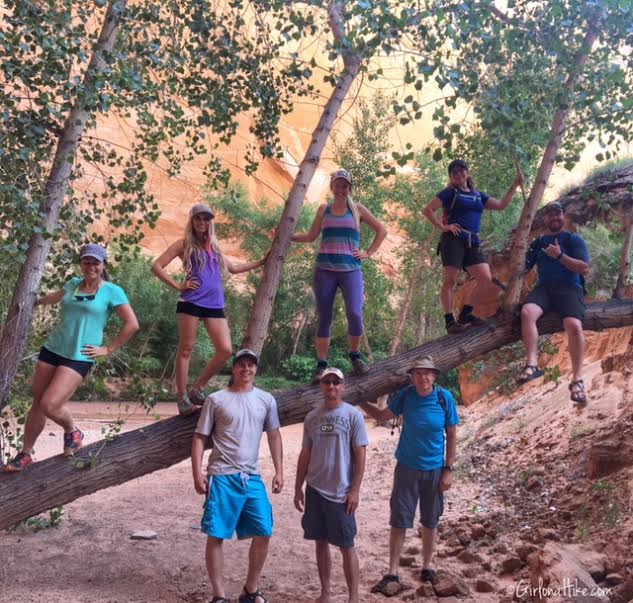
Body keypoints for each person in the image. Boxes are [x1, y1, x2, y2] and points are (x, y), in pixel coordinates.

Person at [3, 244, 139, 473]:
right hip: (53, 349)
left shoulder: (112, 291)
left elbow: (132, 324)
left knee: (50, 404)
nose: (91, 266)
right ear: (81, 264)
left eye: (96, 262)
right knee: (37, 402)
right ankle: (25, 454)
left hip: (80, 355)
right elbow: (55, 297)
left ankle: (72, 430)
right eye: (86, 262)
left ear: (104, 264)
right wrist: (33, 301)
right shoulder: (72, 285)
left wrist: (108, 349)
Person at [152, 203, 268, 415]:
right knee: (186, 349)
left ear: (210, 222)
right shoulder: (184, 244)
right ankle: (181, 398)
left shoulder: (214, 246)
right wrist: (179, 285)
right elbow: (156, 266)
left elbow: (233, 268)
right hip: (191, 302)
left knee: (225, 350)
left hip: (215, 304)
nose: (202, 222)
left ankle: (197, 388)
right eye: (198, 219)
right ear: (192, 221)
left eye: (206, 219)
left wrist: (261, 261)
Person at [358, 356, 459, 594]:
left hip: (434, 469)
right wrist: (359, 400)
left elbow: (452, 435)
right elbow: (382, 416)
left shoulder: (444, 398)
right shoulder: (406, 395)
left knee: (430, 519)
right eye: (418, 373)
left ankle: (428, 567)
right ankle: (392, 571)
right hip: (406, 468)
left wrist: (448, 469)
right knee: (400, 519)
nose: (423, 377)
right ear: (412, 376)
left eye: (428, 373)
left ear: (434, 376)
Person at [191, 348, 283, 603]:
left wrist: (279, 470)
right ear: (233, 368)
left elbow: (274, 434)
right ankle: (219, 595)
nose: (246, 369)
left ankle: (250, 590)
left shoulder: (266, 400)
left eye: (250, 365)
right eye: (241, 364)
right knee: (217, 534)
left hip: (251, 476)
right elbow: (199, 437)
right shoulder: (217, 399)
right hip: (221, 476)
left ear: (256, 369)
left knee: (264, 530)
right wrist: (197, 473)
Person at [291, 169, 387, 383]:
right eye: (338, 184)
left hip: (350, 270)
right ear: (332, 187)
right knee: (325, 316)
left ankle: (355, 356)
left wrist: (368, 253)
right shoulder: (323, 209)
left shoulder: (357, 210)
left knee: (354, 313)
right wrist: (287, 236)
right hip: (324, 270)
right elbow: (310, 236)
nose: (341, 189)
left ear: (349, 188)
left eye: (345, 185)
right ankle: (322, 365)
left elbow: (382, 230)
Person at [423, 159, 524, 334]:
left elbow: (501, 205)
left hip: (472, 242)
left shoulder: (478, 195)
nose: (458, 174)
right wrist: (443, 226)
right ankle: (450, 322)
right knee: (450, 281)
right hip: (453, 240)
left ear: (467, 173)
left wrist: (515, 185)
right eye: (454, 172)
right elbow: (427, 210)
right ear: (451, 176)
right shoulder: (449, 193)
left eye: (461, 170)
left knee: (485, 278)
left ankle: (465, 314)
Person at [294, 367, 368, 603]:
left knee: (347, 544)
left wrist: (355, 489)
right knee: (320, 541)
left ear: (343, 387)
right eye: (327, 382)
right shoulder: (312, 417)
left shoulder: (352, 416)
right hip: (315, 489)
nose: (332, 387)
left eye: (336, 382)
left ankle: (353, 597)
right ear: (322, 386)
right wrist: (298, 487)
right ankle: (325, 593)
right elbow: (305, 453)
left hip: (341, 492)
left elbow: (360, 453)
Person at [518, 201, 590, 405]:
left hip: (569, 287)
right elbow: (524, 267)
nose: (554, 218)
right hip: (544, 289)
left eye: (557, 214)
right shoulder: (539, 242)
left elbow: (583, 267)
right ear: (545, 219)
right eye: (550, 215)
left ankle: (577, 379)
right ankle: (532, 365)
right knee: (526, 313)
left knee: (574, 325)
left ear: (564, 217)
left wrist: (559, 256)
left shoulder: (573, 240)